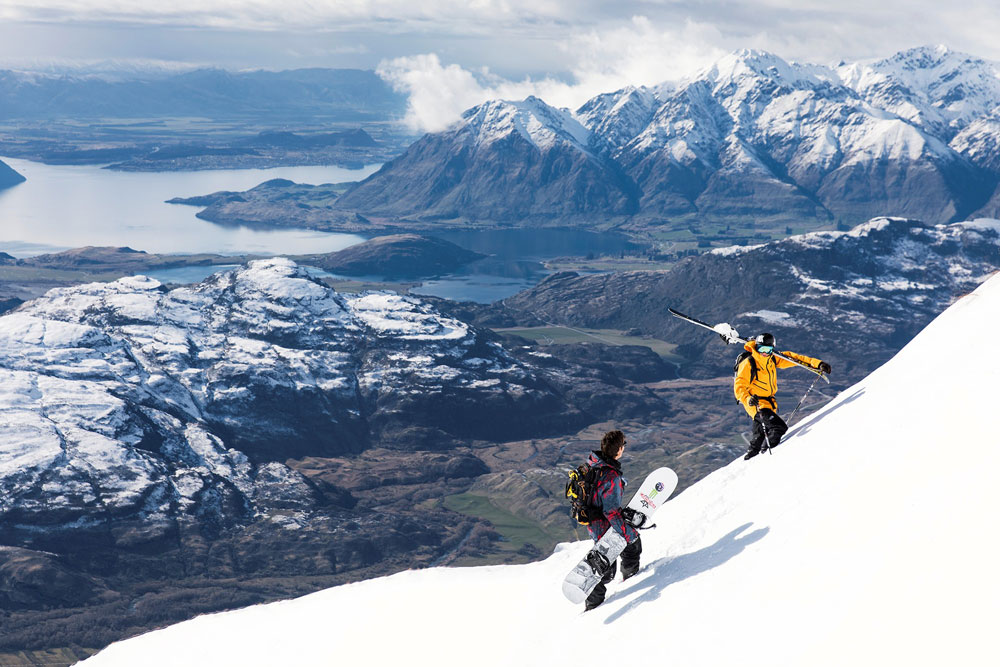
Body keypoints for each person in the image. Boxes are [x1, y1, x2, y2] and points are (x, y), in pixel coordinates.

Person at [734, 333, 832, 460]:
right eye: (761, 349)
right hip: (756, 404)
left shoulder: (773, 358)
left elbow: (794, 358)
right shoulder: (749, 363)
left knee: (759, 438)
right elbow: (739, 385)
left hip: (769, 403)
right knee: (778, 428)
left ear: (772, 349)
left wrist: (818, 364)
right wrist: (748, 399)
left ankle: (750, 459)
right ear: (757, 347)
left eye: (768, 350)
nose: (764, 353)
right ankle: (768, 459)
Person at [582, 429, 641, 611]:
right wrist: (628, 533)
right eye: (623, 445)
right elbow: (611, 512)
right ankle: (593, 606)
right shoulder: (611, 476)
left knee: (624, 552)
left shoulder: (593, 464)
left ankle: (628, 577)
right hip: (605, 526)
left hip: (594, 523)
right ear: (619, 449)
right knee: (608, 571)